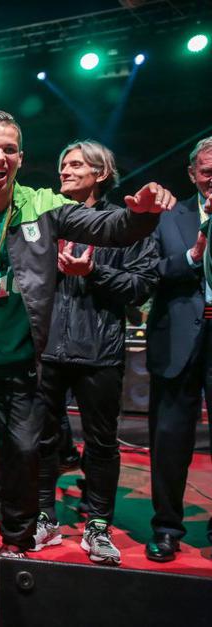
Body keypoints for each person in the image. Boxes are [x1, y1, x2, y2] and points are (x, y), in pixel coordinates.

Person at [0, 110, 174, 587]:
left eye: (9, 149)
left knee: (24, 454)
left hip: (21, 359)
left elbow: (111, 228)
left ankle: (16, 541)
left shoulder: (44, 205)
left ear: (21, 158)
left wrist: (142, 214)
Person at [34, 140, 158, 565]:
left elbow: (140, 287)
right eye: (63, 164)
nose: (65, 171)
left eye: (75, 165)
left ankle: (99, 526)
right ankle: (44, 516)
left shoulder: (127, 225)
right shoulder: (47, 219)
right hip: (47, 349)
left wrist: (94, 272)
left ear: (101, 173)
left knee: (102, 443)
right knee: (42, 438)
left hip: (100, 351)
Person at [145, 136, 212, 562]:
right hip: (178, 340)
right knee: (169, 441)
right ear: (192, 174)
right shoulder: (170, 216)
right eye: (208, 171)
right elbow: (149, 270)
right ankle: (167, 528)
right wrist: (191, 256)